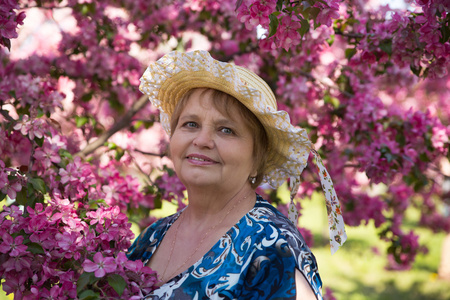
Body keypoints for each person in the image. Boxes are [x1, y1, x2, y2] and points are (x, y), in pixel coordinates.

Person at [127, 50, 347, 299]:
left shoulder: (272, 248)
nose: (202, 140)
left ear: (257, 159)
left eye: (226, 130)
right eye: (190, 124)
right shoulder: (154, 235)